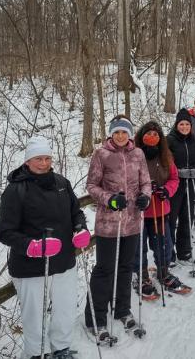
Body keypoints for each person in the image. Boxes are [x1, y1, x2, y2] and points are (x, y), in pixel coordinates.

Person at [0, 137, 88, 359]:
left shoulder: (61, 183)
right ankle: (37, 353)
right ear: (28, 161)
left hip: (64, 259)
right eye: (38, 158)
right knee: (34, 315)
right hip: (30, 266)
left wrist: (80, 228)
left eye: (47, 158)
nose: (44, 163)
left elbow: (76, 211)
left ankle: (61, 347)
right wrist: (33, 247)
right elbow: (6, 232)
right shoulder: (15, 190)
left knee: (64, 309)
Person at [84, 116, 152, 339]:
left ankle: (122, 309)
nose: (121, 136)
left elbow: (146, 182)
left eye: (124, 132)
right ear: (111, 134)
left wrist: (145, 197)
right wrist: (110, 199)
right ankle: (97, 316)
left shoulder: (138, 154)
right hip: (108, 224)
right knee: (104, 269)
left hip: (132, 221)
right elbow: (92, 186)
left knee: (125, 267)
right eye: (117, 132)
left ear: (130, 134)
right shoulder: (101, 154)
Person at [132, 121, 189, 298]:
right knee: (138, 246)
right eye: (148, 134)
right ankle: (142, 276)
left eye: (156, 134)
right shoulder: (134, 155)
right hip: (139, 211)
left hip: (160, 208)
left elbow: (174, 179)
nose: (152, 137)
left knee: (164, 244)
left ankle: (163, 272)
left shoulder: (166, 156)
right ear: (142, 136)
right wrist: (141, 192)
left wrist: (166, 190)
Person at [166, 108, 195, 266]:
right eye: (181, 124)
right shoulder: (169, 140)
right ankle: (169, 254)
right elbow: (164, 162)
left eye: (187, 124)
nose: (184, 127)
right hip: (175, 186)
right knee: (171, 220)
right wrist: (176, 171)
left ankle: (185, 252)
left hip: (191, 184)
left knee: (187, 219)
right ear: (176, 125)